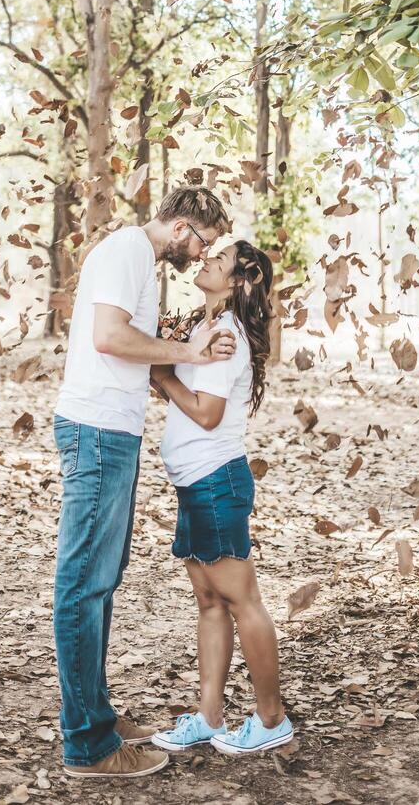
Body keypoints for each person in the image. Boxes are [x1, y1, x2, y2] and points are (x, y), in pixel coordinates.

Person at [52, 186, 235, 780]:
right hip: (97, 430)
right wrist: (190, 351)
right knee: (84, 583)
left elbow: (133, 348)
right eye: (203, 243)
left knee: (101, 582)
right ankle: (88, 745)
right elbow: (111, 338)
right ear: (183, 228)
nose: (199, 256)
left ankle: (97, 716)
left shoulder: (138, 260)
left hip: (114, 432)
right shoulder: (130, 248)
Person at [149, 240, 294, 757]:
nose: (207, 258)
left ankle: (271, 718)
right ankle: (209, 716)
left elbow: (207, 413)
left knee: (241, 600)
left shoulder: (225, 334)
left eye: (221, 259)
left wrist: (163, 375)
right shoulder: (201, 328)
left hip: (215, 482)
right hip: (196, 484)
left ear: (239, 281)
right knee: (209, 602)